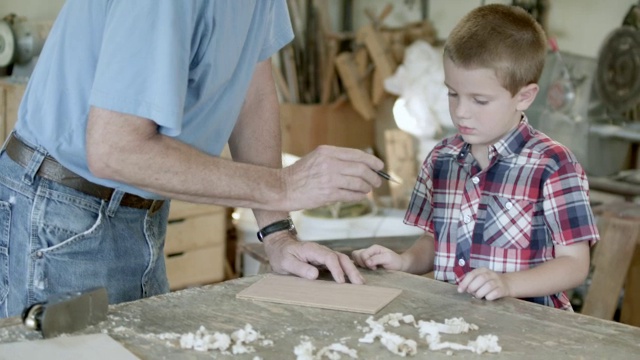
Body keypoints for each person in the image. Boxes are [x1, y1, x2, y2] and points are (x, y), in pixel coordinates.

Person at [0, 0, 385, 318]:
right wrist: (282, 186)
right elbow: (115, 149)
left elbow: (252, 92)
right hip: (60, 212)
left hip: (138, 212)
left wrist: (278, 232)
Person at [352, 4, 599, 311]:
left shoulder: (554, 166)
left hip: (530, 333)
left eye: (479, 100)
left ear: (524, 96)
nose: (460, 111)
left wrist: (508, 284)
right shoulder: (442, 159)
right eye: (452, 93)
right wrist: (403, 261)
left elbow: (574, 264)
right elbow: (435, 242)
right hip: (453, 323)